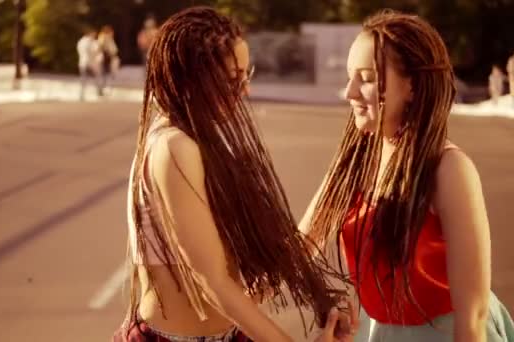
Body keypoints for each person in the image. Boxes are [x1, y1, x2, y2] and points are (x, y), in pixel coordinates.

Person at [114, 7, 358, 342]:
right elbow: (212, 282)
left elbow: (259, 274)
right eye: (231, 80)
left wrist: (339, 184)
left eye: (247, 76)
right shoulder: (175, 147)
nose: (244, 92)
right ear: (191, 78)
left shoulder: (200, 142)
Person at [299, 9, 514, 342]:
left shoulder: (448, 170)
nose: (351, 92)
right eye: (349, 77)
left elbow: (473, 313)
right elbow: (301, 246)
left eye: (367, 78)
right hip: (376, 332)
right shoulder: (353, 163)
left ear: (412, 86)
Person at [77, 28, 103, 100]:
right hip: (90, 63)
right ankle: (99, 92)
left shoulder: (81, 41)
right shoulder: (90, 42)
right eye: (93, 34)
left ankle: (82, 94)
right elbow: (94, 51)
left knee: (84, 79)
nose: (94, 35)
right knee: (97, 77)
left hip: (83, 62)